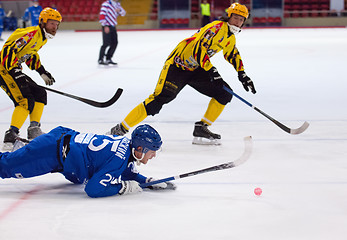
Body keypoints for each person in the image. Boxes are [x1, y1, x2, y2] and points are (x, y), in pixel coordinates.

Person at [107, 3, 256, 145]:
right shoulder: (216, 28)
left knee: (224, 93)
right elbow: (198, 49)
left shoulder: (230, 37)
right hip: (177, 67)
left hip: (196, 69)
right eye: (235, 17)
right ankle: (120, 129)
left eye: (241, 19)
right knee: (157, 101)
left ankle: (202, 127)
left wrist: (242, 74)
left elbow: (232, 54)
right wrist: (212, 70)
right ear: (228, 16)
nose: (238, 22)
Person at [0, 124, 176, 198]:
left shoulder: (125, 146)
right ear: (140, 149)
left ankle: (26, 151)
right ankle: (27, 152)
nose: (153, 156)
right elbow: (93, 189)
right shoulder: (119, 159)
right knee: (5, 167)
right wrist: (123, 188)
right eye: (152, 152)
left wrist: (147, 181)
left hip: (64, 147)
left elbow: (125, 170)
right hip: (51, 151)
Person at [0, 7, 61, 151]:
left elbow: (30, 54)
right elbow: (8, 49)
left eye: (57, 24)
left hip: (13, 69)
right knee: (24, 100)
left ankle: (34, 129)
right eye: (52, 23)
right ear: (43, 22)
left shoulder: (42, 37)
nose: (55, 27)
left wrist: (41, 71)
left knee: (40, 93)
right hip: (4, 70)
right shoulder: (31, 34)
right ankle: (11, 135)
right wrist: (16, 73)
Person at [98, 0, 126, 65]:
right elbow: (102, 15)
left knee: (114, 43)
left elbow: (123, 13)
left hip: (113, 26)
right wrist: (105, 25)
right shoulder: (106, 4)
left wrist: (120, 11)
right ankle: (100, 59)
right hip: (107, 25)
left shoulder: (117, 4)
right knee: (106, 43)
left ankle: (108, 58)